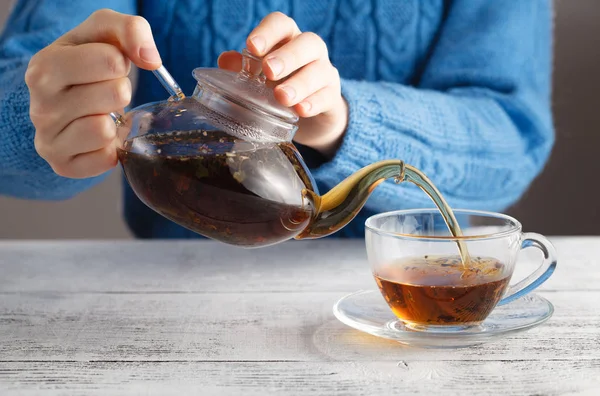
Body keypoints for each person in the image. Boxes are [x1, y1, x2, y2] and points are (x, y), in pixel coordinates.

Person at [0, 1, 554, 239]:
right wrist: (41, 116)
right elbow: (17, 92)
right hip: (166, 305)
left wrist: (335, 120)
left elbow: (510, 135)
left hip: (397, 302)